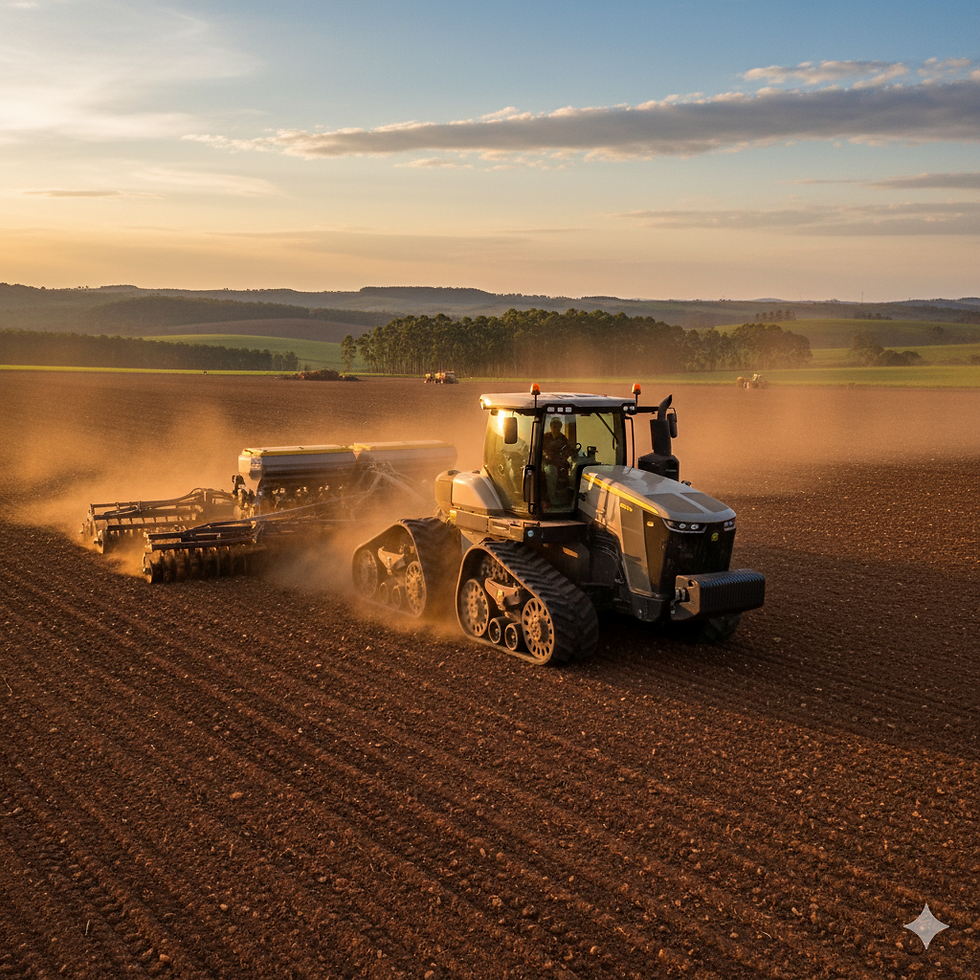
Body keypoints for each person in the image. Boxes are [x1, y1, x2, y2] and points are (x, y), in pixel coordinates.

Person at [542, 418, 573, 504]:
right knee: (551, 472)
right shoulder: (545, 437)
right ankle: (552, 500)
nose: (555, 428)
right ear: (550, 426)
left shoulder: (563, 439)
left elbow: (568, 450)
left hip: (560, 464)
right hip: (546, 464)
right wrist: (545, 455)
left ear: (561, 427)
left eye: (558, 426)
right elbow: (539, 450)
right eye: (554, 426)